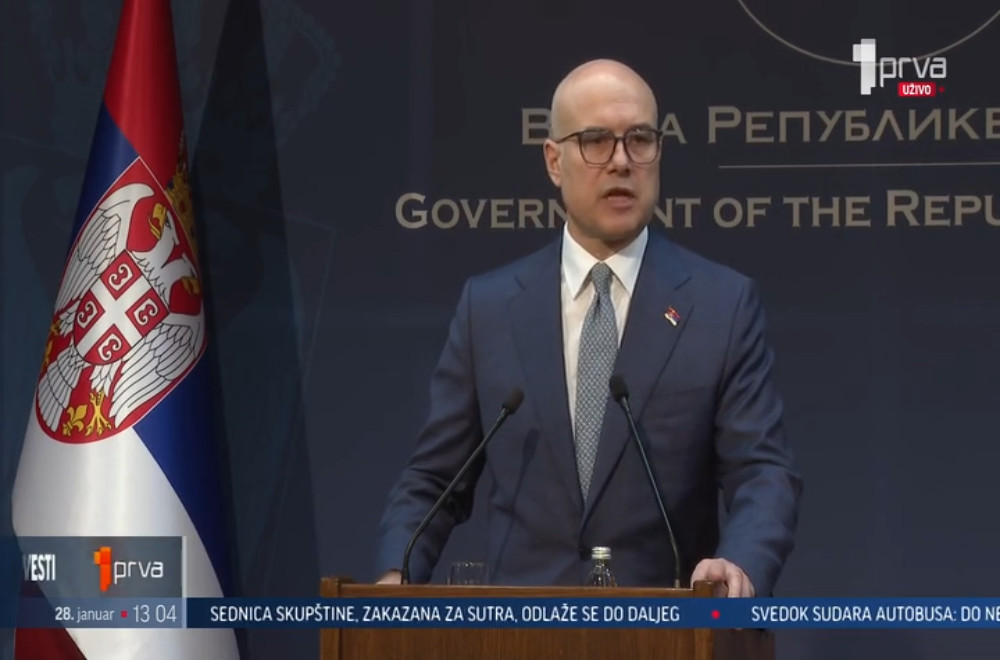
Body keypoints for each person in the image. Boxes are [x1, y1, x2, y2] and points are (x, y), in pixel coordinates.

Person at [374, 58, 802, 597]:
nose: (621, 161)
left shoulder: (722, 305)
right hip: (519, 629)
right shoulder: (490, 308)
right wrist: (396, 572)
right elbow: (434, 479)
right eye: (596, 141)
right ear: (554, 161)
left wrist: (740, 563)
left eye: (639, 140)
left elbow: (763, 473)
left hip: (665, 625)